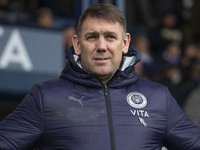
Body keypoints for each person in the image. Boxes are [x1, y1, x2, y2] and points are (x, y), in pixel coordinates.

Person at [0, 3, 200, 150]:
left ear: (125, 43)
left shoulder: (159, 98)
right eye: (92, 37)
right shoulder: (45, 97)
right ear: (77, 44)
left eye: (110, 37)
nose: (101, 46)